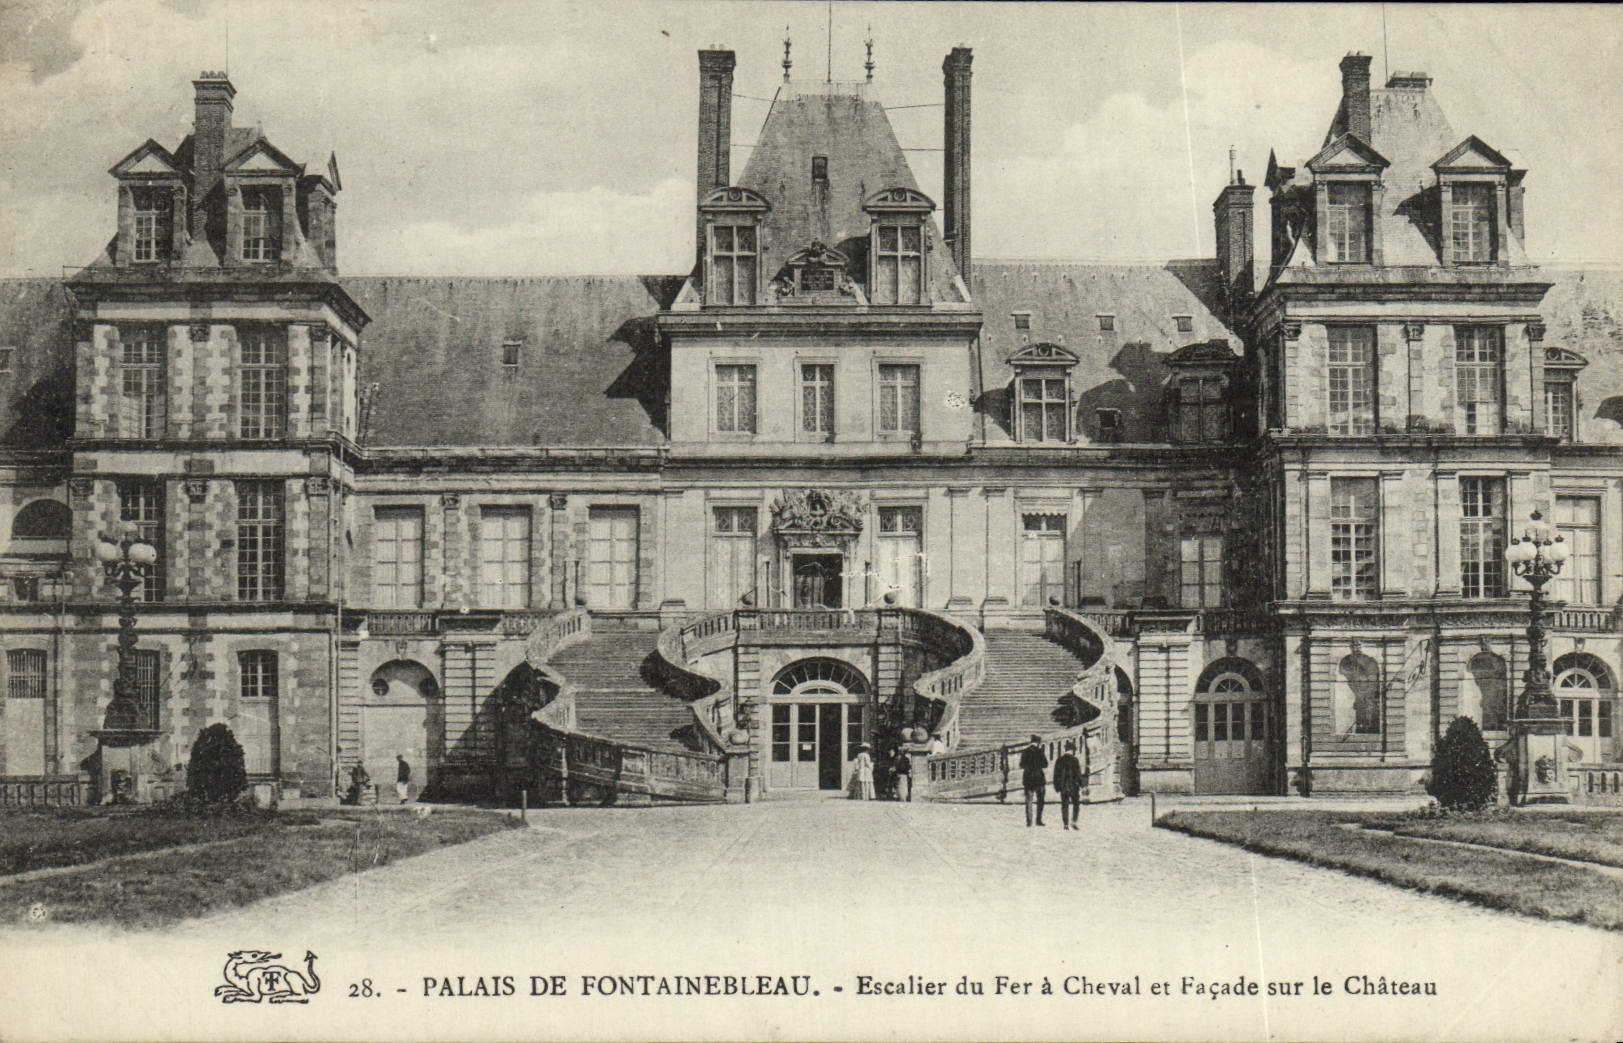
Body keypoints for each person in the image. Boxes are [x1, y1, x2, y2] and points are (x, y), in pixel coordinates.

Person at [1053, 740, 1084, 830]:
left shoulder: (1059, 760)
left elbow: (1056, 774)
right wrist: (1081, 784)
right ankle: (1074, 821)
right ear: (1072, 750)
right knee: (1076, 804)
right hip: (1073, 786)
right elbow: (1078, 774)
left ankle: (1065, 824)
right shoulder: (1075, 760)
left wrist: (1057, 786)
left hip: (1063, 786)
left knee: (1064, 805)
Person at [1019, 734, 1048, 827]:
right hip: (1039, 779)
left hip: (1028, 779)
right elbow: (1045, 764)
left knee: (1029, 801)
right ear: (1038, 743)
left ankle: (1029, 821)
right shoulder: (1040, 751)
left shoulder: (1025, 752)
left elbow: (1021, 765)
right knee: (1040, 800)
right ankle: (1038, 820)